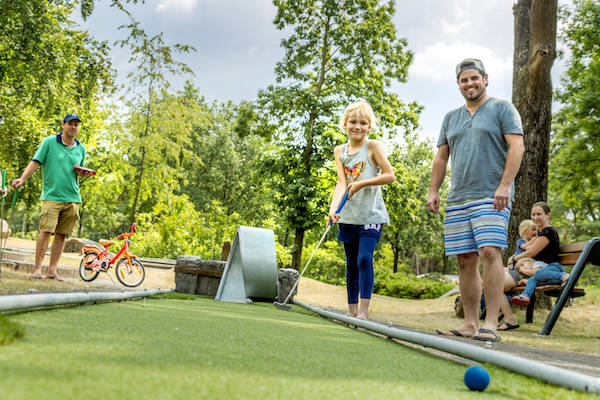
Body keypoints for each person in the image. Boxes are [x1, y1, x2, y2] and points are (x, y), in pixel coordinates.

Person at [427, 58, 525, 342]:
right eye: (463, 80)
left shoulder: (502, 108)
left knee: (490, 253)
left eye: (474, 78)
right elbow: (441, 157)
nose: (469, 84)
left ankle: (491, 323)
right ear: (458, 84)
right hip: (458, 197)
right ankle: (470, 323)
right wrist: (434, 190)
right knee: (465, 260)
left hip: (491, 194)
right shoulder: (451, 118)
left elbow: (517, 146)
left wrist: (505, 185)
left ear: (485, 78)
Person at [327, 100, 395, 320]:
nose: (357, 126)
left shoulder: (372, 147)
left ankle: (364, 313)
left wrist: (362, 184)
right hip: (349, 215)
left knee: (364, 259)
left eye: (363, 123)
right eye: (353, 122)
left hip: (371, 214)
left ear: (369, 127)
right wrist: (333, 209)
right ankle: (352, 312)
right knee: (351, 264)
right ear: (345, 124)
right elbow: (341, 183)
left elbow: (389, 176)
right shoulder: (340, 151)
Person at [12, 113, 93, 281]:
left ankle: (52, 270)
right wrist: (23, 178)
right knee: (46, 231)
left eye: (76, 124)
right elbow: (35, 162)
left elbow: (78, 171)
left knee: (62, 235)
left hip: (73, 198)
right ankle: (37, 269)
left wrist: (83, 173)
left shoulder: (81, 148)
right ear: (63, 125)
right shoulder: (49, 142)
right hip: (52, 196)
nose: (73, 127)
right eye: (70, 123)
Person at [510, 202, 569, 306]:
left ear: (548, 215)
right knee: (533, 279)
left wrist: (514, 259)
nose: (535, 217)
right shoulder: (540, 234)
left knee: (536, 274)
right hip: (545, 271)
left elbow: (531, 253)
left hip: (554, 268)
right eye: (533, 214)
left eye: (539, 214)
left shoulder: (548, 232)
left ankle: (564, 276)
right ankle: (525, 296)